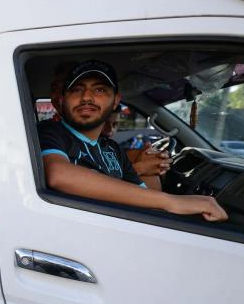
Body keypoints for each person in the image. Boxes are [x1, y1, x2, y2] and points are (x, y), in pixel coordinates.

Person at [39, 59, 228, 222]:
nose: (86, 97)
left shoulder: (112, 149)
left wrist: (150, 167)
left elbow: (148, 202)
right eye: (76, 90)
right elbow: (59, 175)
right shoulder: (50, 132)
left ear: (115, 101)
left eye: (99, 89)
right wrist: (172, 201)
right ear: (63, 99)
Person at [100, 107, 171, 190]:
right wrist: (141, 168)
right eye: (104, 124)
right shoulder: (83, 151)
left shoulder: (111, 148)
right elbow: (96, 188)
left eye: (114, 124)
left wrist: (159, 162)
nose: (110, 131)